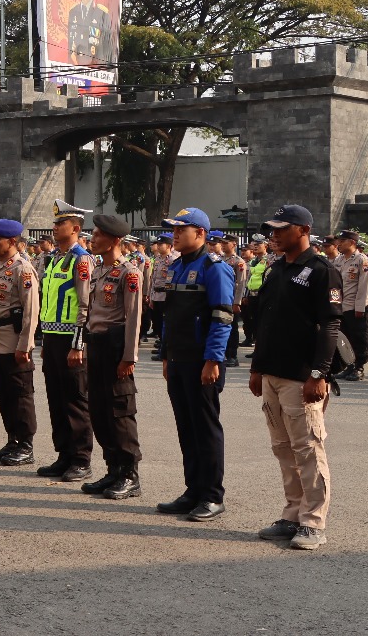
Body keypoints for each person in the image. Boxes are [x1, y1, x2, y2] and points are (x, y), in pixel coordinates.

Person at [250, 204, 340, 550]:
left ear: (302, 230)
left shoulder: (320, 270)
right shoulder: (276, 270)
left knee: (308, 449)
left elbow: (329, 325)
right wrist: (258, 368)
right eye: (272, 229)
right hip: (272, 372)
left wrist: (319, 373)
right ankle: (292, 515)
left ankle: (313, 523)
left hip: (301, 376)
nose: (274, 235)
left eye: (281, 229)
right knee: (283, 449)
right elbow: (265, 323)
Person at [156, 207, 235, 523]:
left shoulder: (214, 268)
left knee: (205, 428)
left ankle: (212, 495)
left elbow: (222, 316)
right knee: (186, 428)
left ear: (200, 233)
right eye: (173, 230)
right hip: (178, 359)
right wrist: (165, 353)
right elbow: (169, 316)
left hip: (202, 362)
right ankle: (193, 490)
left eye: (180, 230)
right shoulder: (176, 267)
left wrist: (213, 358)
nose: (175, 235)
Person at [80, 214, 144, 499]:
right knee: (99, 409)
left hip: (116, 348)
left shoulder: (129, 273)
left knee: (120, 411)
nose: (92, 239)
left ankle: (130, 474)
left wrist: (128, 357)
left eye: (98, 235)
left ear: (114, 240)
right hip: (96, 344)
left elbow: (133, 318)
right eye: (92, 234)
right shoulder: (98, 270)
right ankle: (113, 469)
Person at [37, 200, 95, 482]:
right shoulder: (55, 259)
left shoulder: (81, 259)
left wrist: (78, 344)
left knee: (75, 400)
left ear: (75, 228)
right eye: (55, 223)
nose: (55, 227)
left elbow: (85, 305)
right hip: (52, 337)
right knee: (56, 399)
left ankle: (81, 458)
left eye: (60, 223)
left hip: (70, 340)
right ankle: (64, 455)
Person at [0, 219, 40, 467]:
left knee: (20, 395)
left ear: (12, 242)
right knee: (3, 393)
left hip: (14, 342)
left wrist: (25, 345)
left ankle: (26, 445)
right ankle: (12, 439)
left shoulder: (22, 269)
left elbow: (30, 310)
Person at [333, 230, 368, 381]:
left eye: (342, 241)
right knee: (346, 339)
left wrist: (360, 308)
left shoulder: (362, 260)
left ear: (352, 242)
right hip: (341, 306)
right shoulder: (340, 260)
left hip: (355, 307)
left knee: (359, 338)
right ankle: (349, 365)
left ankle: (359, 367)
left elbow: (365, 286)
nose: (339, 244)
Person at [220, 233, 247, 368]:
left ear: (234, 244)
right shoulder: (219, 259)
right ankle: (223, 353)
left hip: (231, 299)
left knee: (232, 329)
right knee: (220, 326)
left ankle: (232, 356)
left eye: (226, 243)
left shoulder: (238, 262)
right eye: (222, 243)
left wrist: (237, 302)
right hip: (220, 298)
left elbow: (241, 284)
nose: (223, 245)